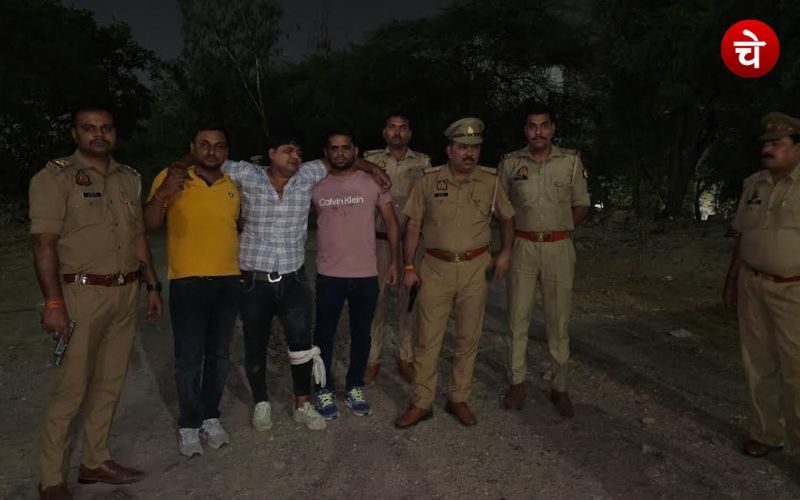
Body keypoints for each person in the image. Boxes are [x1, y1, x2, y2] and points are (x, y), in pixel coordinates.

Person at [30, 105, 162, 500]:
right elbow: (43, 244)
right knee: (72, 387)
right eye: (89, 128)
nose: (98, 134)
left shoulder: (129, 178)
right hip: (81, 294)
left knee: (110, 381)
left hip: (125, 291)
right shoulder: (54, 177)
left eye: (106, 128)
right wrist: (53, 303)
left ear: (114, 133)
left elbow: (138, 237)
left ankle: (95, 460)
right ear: (75, 134)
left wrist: (152, 286)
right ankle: (51, 479)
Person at [395, 117, 515, 429]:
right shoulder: (428, 180)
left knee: (468, 337)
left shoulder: (491, 182)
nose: (469, 153)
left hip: (476, 268)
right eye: (462, 147)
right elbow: (413, 225)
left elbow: (507, 218)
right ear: (449, 150)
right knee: (427, 339)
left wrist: (505, 252)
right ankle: (422, 402)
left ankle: (458, 397)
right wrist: (408, 266)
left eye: (474, 148)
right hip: (435, 269)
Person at [143, 124, 240, 458]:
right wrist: (163, 193)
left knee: (220, 356)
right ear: (193, 147)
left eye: (219, 145)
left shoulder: (232, 185)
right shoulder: (173, 178)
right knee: (188, 358)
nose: (212, 151)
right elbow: (149, 222)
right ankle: (188, 423)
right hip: (188, 282)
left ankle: (210, 416)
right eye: (204, 144)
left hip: (228, 281)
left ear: (226, 151)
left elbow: (237, 226)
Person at [222, 132, 328, 432]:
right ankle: (261, 402)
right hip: (254, 281)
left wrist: (372, 168)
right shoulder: (248, 174)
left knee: (301, 343)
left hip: (293, 279)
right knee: (255, 343)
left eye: (299, 151)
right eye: (287, 150)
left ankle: (302, 404)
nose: (295, 156)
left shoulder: (307, 174)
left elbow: (341, 158)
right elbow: (209, 159)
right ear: (271, 153)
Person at [498, 103, 590, 418]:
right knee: (517, 318)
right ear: (526, 130)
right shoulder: (511, 163)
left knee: (558, 320)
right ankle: (517, 382)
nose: (538, 131)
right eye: (532, 126)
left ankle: (560, 387)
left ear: (552, 129)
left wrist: (561, 228)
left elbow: (581, 204)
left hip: (558, 247)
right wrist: (507, 246)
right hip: (523, 245)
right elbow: (503, 209)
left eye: (544, 125)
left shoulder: (570, 162)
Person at [723, 111, 800, 458]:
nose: (768, 149)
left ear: (797, 147)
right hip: (752, 285)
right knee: (757, 363)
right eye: (766, 143)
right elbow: (743, 235)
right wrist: (732, 279)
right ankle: (766, 433)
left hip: (793, 290)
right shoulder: (754, 184)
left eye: (777, 143)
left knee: (796, 370)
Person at [312, 130, 400, 420]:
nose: (340, 153)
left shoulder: (373, 182)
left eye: (345, 148)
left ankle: (354, 386)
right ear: (326, 152)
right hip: (329, 274)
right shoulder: (315, 183)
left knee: (362, 334)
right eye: (334, 148)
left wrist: (395, 262)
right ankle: (322, 388)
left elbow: (391, 222)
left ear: (355, 150)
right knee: (323, 334)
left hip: (365, 273)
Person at [363, 113, 431, 385]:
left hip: (410, 243)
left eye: (402, 128)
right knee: (376, 300)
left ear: (409, 133)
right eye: (392, 127)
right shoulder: (370, 160)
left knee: (408, 300)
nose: (397, 132)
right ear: (384, 132)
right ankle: (372, 358)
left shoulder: (423, 162)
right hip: (379, 241)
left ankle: (406, 356)